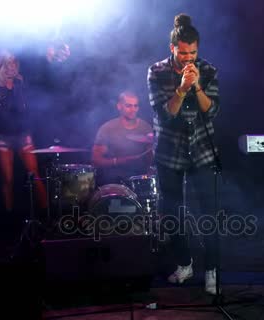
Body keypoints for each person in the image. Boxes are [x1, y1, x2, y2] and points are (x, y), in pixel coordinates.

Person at [147, 14, 221, 295]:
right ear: (172, 48)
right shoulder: (156, 71)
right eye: (182, 53)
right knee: (172, 213)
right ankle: (184, 263)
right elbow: (165, 116)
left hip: (202, 150)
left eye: (192, 53)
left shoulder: (208, 70)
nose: (187, 58)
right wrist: (181, 88)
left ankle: (212, 269)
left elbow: (212, 111)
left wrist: (197, 85)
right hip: (170, 151)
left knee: (209, 213)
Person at [0, 50, 48, 224]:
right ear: (2, 67)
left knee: (34, 175)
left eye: (14, 63)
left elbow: (25, 109)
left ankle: (47, 215)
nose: (12, 67)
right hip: (3, 136)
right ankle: (9, 217)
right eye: (8, 64)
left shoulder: (20, 84)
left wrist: (19, 84)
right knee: (7, 178)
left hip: (23, 135)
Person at [91, 91, 153, 186]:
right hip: (113, 181)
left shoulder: (145, 127)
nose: (133, 110)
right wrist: (121, 161)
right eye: (128, 106)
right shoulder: (108, 128)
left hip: (138, 182)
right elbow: (96, 160)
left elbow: (150, 159)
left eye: (135, 106)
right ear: (119, 106)